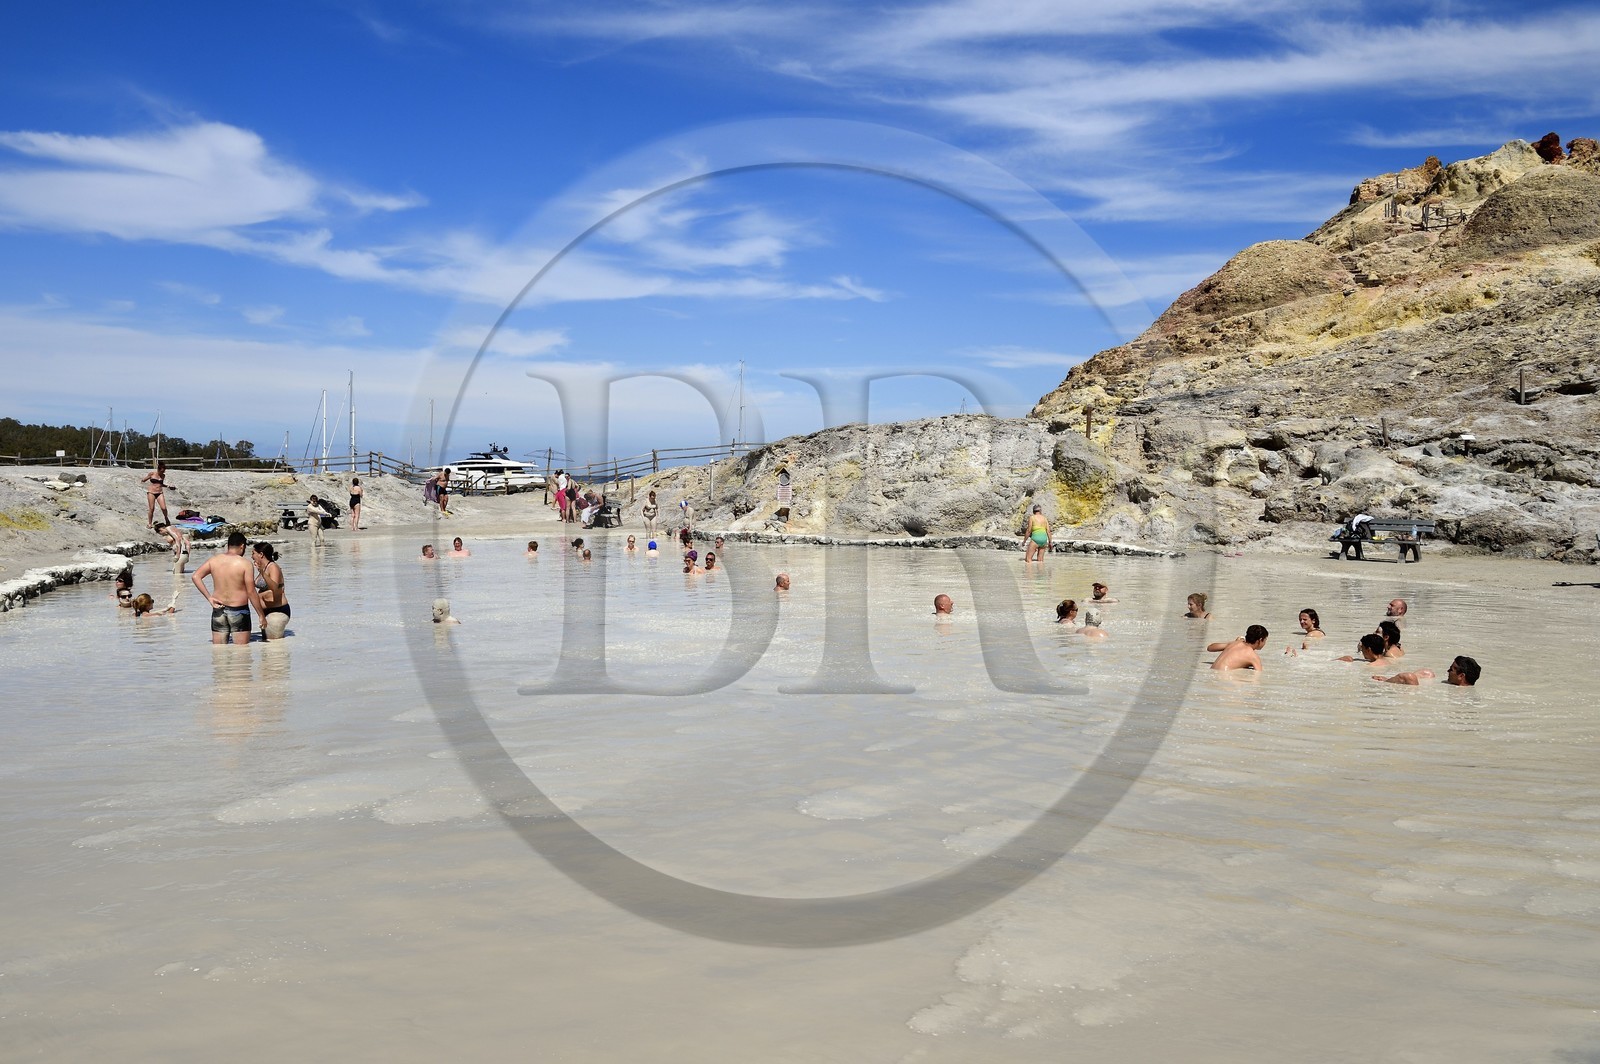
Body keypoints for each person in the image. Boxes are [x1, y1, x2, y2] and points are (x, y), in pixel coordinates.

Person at [191, 531, 266, 645]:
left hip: (218, 610)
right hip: (239, 610)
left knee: (219, 654)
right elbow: (251, 592)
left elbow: (196, 576)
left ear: (228, 545)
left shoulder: (214, 560)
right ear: (242, 546)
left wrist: (209, 598)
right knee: (242, 655)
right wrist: (261, 615)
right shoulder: (245, 563)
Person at [253, 541, 291, 639]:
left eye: (253, 553)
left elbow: (275, 588)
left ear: (261, 554)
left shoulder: (273, 567)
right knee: (267, 646)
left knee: (274, 647)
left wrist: (261, 572)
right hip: (266, 612)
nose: (252, 556)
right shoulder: (264, 568)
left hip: (277, 611)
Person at [1374, 655, 1480, 686]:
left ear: (1461, 676)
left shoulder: (1459, 697)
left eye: (1451, 669)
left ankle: (1386, 681)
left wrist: (1387, 681)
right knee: (1427, 673)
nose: (1447, 671)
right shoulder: (1456, 689)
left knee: (1408, 677)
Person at [140, 461, 170, 528]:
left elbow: (161, 484)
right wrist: (143, 483)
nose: (163, 472)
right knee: (151, 508)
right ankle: (150, 523)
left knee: (164, 508)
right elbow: (144, 480)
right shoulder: (152, 474)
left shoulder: (163, 475)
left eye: (164, 471)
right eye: (162, 471)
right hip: (151, 492)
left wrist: (168, 486)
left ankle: (166, 518)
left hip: (159, 492)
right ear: (158, 469)